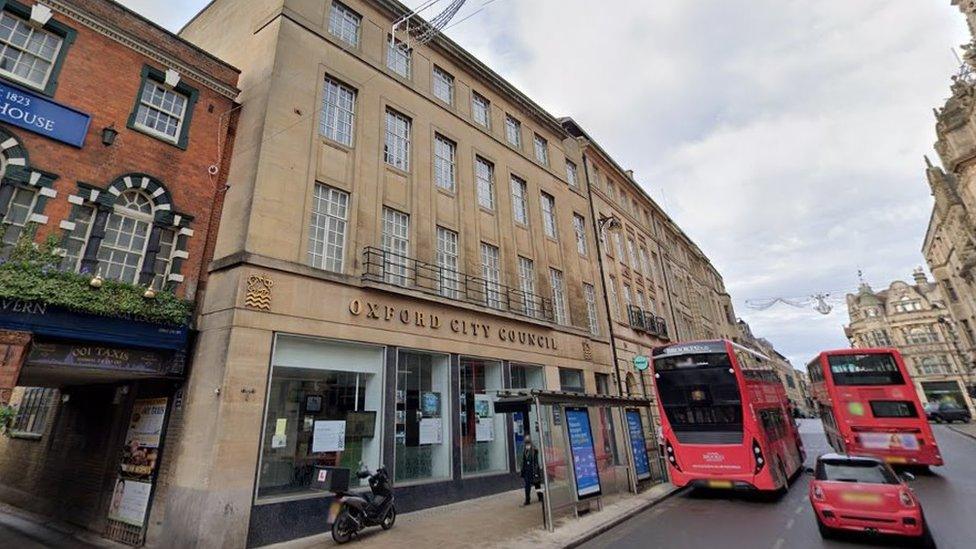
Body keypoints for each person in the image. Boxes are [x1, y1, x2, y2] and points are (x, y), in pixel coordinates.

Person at [520, 436, 542, 505]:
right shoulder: (525, 450)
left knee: (537, 485)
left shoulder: (534, 450)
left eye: (528, 442)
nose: (527, 444)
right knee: (527, 486)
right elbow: (523, 460)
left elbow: (536, 462)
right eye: (526, 443)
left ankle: (540, 497)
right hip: (527, 471)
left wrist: (536, 472)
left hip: (533, 470)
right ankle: (527, 500)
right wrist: (522, 470)